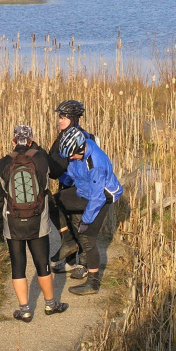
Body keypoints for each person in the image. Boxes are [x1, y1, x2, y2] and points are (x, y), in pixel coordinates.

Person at [0, 125, 68, 322]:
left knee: (18, 265)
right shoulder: (40, 159)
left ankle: (24, 310)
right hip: (37, 220)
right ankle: (51, 304)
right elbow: (58, 171)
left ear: (13, 141)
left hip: (13, 221)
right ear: (31, 140)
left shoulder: (3, 164)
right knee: (42, 263)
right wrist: (39, 150)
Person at [56, 126, 123, 295]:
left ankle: (92, 283)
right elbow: (73, 174)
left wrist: (86, 220)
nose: (70, 158)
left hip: (102, 196)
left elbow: (97, 198)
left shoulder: (95, 164)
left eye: (72, 155)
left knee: (88, 238)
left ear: (80, 148)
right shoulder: (77, 152)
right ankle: (69, 241)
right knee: (53, 201)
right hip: (85, 189)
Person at [47, 100, 97, 280]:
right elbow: (54, 160)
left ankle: (83, 264)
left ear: (74, 118)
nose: (60, 121)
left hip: (80, 186)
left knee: (79, 223)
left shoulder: (83, 137)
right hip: (65, 183)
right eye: (59, 117)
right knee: (66, 221)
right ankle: (69, 259)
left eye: (64, 118)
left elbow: (61, 164)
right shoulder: (61, 136)